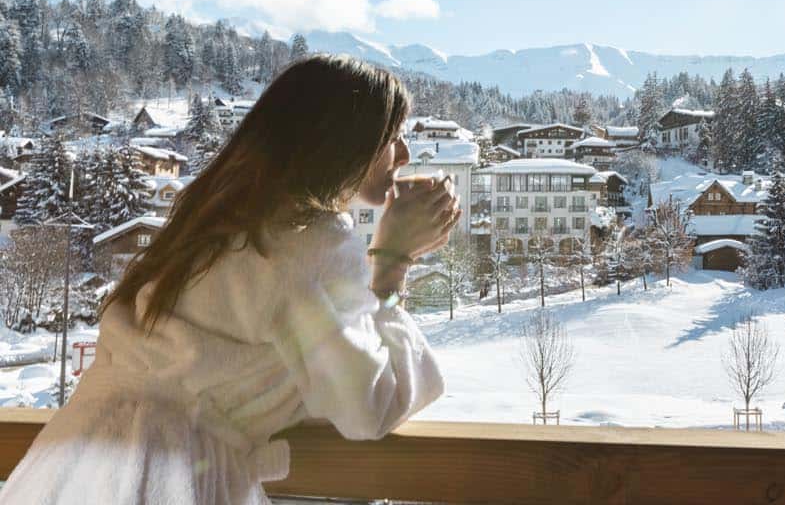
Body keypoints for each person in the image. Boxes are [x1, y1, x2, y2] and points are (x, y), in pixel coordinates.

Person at [0, 55, 458, 504]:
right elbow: (368, 406)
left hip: (77, 460)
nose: (404, 153)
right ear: (343, 140)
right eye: (391, 136)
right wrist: (394, 259)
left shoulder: (210, 221)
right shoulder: (308, 243)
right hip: (169, 477)